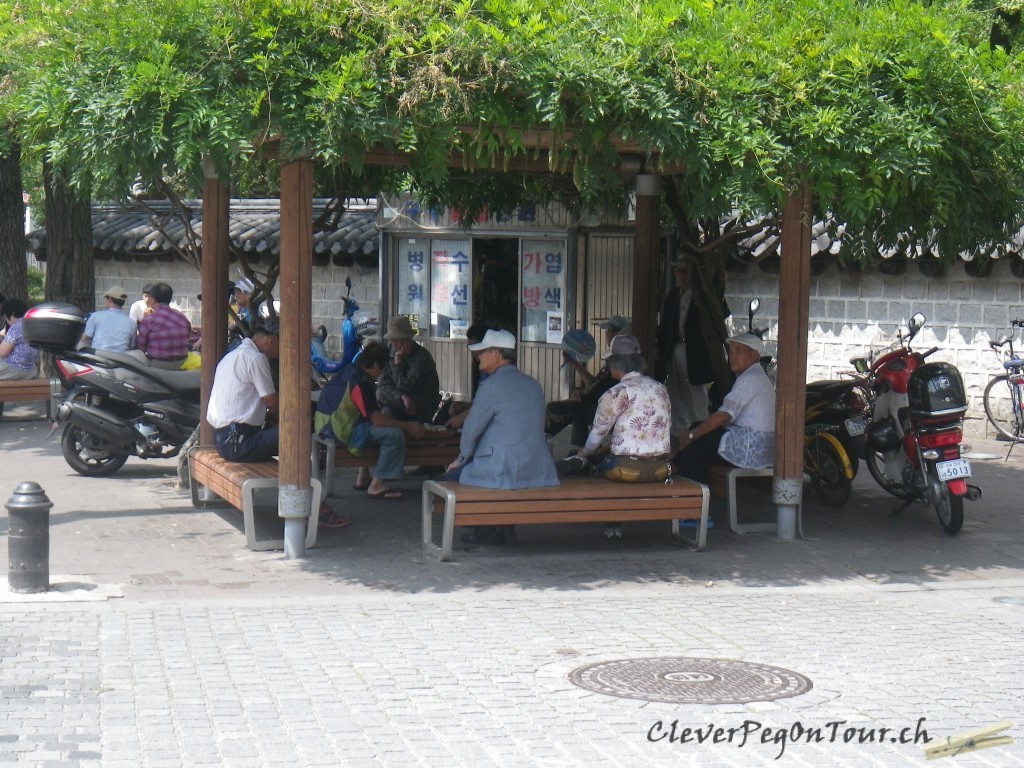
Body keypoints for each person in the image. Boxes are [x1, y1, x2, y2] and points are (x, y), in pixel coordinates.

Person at [444, 329, 559, 546]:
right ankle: (505, 527)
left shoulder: (491, 386)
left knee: (453, 476)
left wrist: (460, 459)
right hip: (536, 467)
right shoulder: (533, 385)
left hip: (502, 468)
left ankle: (484, 529)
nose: (478, 356)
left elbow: (471, 429)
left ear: (496, 354)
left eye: (483, 352)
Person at [559, 334, 673, 538]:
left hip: (625, 469)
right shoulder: (661, 389)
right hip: (660, 469)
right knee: (606, 453)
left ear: (615, 363)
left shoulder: (615, 393)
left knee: (592, 462)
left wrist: (584, 454)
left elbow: (597, 434)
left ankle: (613, 524)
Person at [315, 340, 426, 501]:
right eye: (381, 370)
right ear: (374, 365)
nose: (380, 374)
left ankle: (363, 477)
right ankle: (377, 485)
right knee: (394, 435)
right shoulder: (360, 382)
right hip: (337, 430)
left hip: (323, 425)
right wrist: (407, 426)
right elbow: (377, 420)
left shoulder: (349, 371)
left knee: (373, 427)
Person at [672, 332, 775, 485]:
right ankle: (675, 466)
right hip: (755, 443)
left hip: (752, 447)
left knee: (695, 448)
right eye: (731, 352)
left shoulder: (750, 379)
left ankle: (694, 497)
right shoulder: (755, 375)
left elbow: (723, 416)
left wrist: (691, 436)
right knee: (697, 428)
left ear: (754, 355)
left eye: (738, 351)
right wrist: (693, 433)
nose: (732, 356)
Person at [655, 259, 729, 434]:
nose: (681, 276)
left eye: (685, 272)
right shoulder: (673, 296)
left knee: (695, 393)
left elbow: (721, 315)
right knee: (674, 392)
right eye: (679, 272)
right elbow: (665, 325)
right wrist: (661, 350)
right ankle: (676, 433)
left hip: (696, 351)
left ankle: (700, 429)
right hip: (675, 348)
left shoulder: (705, 296)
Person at [546, 315, 629, 446]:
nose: (606, 334)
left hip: (606, 409)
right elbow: (595, 383)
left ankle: (582, 453)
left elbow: (602, 388)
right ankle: (581, 452)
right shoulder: (614, 357)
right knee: (566, 411)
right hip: (600, 404)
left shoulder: (618, 359)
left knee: (560, 410)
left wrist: (583, 397)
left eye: (608, 331)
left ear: (617, 334)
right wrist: (574, 364)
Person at [206, 325, 281, 463]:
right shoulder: (256, 358)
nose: (275, 357)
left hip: (222, 440)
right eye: (277, 352)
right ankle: (301, 479)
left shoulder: (232, 355)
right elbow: (271, 402)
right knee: (296, 433)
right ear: (271, 341)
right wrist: (281, 420)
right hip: (238, 442)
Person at [375, 316, 440, 422]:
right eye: (395, 340)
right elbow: (383, 383)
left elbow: (405, 387)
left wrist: (398, 363)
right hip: (401, 400)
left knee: (381, 396)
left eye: (403, 340)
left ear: (410, 338)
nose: (399, 344)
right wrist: (402, 397)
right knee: (385, 409)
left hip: (422, 405)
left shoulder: (422, 357)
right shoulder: (389, 352)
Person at [136, 282, 192, 369]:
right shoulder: (182, 317)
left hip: (158, 365)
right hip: (182, 363)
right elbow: (188, 335)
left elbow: (141, 347)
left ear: (153, 299)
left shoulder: (148, 320)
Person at [80, 286, 136, 352]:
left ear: (109, 299)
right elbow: (131, 345)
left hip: (98, 357)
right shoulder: (131, 323)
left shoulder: (96, 316)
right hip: (121, 359)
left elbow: (84, 338)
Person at [0, 298, 39, 380]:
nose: (6, 321)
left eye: (6, 317)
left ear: (12, 313)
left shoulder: (16, 327)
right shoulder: (31, 325)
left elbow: (3, 352)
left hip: (14, 369)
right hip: (31, 369)